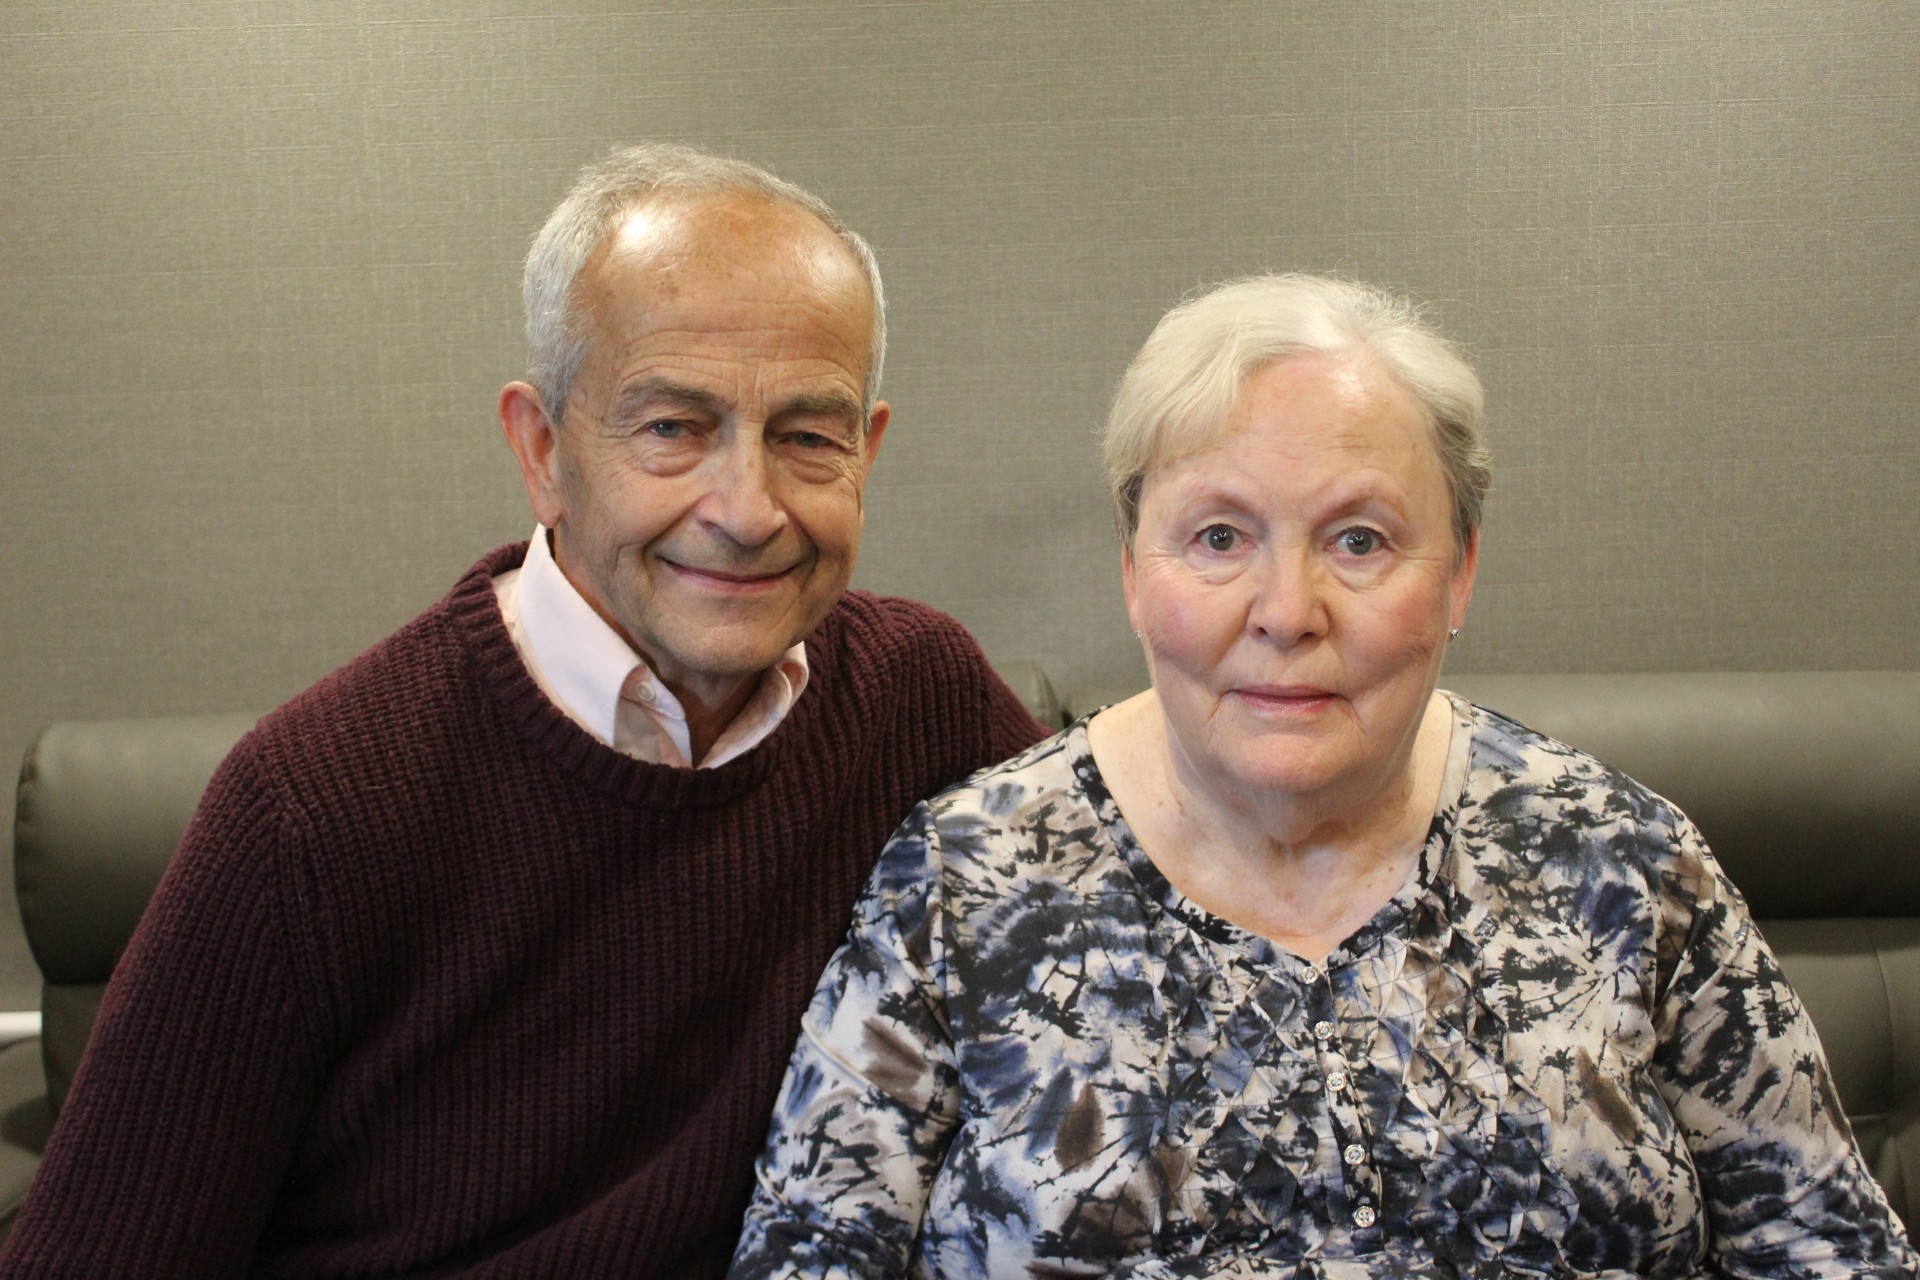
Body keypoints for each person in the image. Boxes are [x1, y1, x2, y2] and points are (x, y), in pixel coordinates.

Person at [729, 274, 1919, 1277]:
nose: (1287, 612)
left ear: (1458, 574)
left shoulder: (1624, 858)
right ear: (1134, 572)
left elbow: (1833, 1248)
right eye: (1218, 536)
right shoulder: (964, 876)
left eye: (1360, 538)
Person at [0, 144, 1047, 1278]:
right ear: (542, 450)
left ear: (866, 453)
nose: (747, 510)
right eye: (671, 428)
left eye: (807, 435)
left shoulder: (922, 702)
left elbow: (1140, 925)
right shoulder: (310, 806)